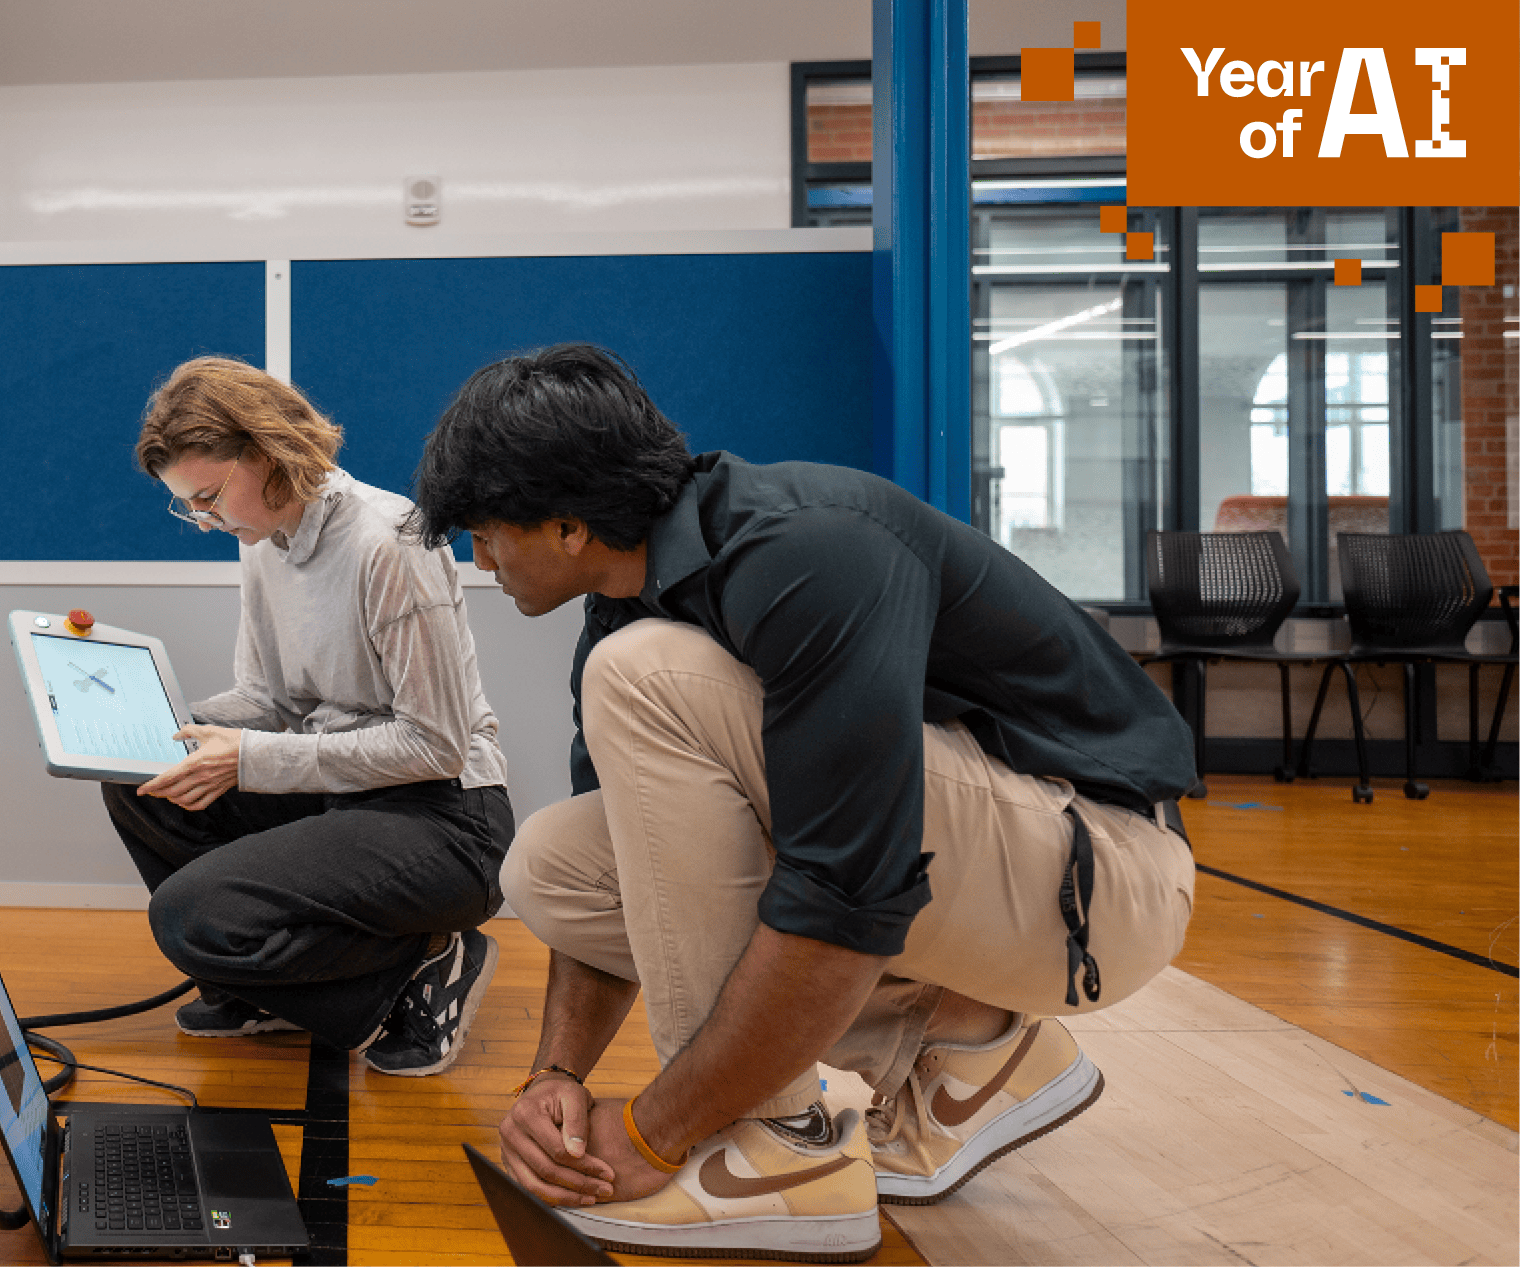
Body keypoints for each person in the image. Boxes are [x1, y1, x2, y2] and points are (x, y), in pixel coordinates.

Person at [409, 344, 1196, 1259]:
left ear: (570, 526)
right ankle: (964, 1046)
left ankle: (776, 1150)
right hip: (998, 874)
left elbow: (845, 893)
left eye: (488, 531)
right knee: (551, 862)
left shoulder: (809, 552)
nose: (481, 558)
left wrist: (658, 1128)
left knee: (642, 677)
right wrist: (557, 1075)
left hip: (1102, 877)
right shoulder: (629, 604)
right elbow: (633, 868)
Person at [102, 355, 515, 1077]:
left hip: (448, 816)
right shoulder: (264, 542)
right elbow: (268, 701)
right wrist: (158, 724)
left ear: (263, 455)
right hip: (345, 796)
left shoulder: (389, 542)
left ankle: (427, 956)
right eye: (188, 506)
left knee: (189, 916)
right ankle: (264, 991)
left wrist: (249, 758)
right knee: (136, 780)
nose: (203, 521)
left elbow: (437, 745)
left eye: (207, 498)